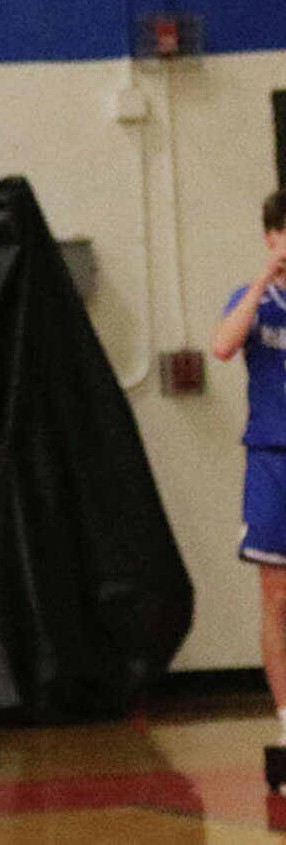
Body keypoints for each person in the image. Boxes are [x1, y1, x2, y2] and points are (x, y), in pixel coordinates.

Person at [212, 186, 286, 750]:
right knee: (277, 598)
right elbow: (221, 346)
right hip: (270, 460)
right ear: (271, 237)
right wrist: (263, 281)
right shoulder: (252, 300)